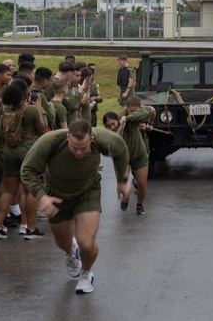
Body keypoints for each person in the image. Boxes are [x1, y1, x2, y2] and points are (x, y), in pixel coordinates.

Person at [20, 119, 130, 294]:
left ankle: (85, 273)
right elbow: (27, 170)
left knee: (86, 243)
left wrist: (122, 181)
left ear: (91, 139)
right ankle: (71, 253)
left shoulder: (102, 138)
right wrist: (42, 197)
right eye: (74, 147)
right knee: (62, 241)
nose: (79, 152)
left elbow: (121, 149)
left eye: (84, 148)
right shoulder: (50, 141)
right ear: (68, 137)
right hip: (56, 195)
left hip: (87, 191)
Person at [0, 78, 46, 238]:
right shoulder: (30, 110)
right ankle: (29, 228)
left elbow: (0, 130)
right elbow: (40, 128)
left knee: (9, 190)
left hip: (9, 151)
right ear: (25, 93)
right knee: (30, 192)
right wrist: (39, 110)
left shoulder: (5, 110)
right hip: (27, 150)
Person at [104, 96, 157, 215]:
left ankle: (139, 204)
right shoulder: (118, 119)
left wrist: (129, 119)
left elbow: (150, 111)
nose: (132, 112)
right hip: (123, 157)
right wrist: (121, 123)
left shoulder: (136, 115)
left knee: (142, 184)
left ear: (139, 108)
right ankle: (126, 196)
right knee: (123, 179)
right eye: (129, 110)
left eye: (134, 111)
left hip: (138, 154)